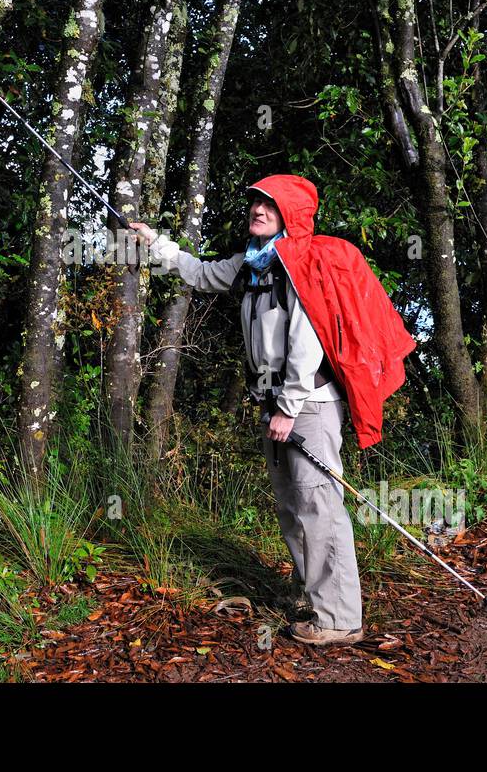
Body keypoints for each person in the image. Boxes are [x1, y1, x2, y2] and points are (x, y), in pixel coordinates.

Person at [129, 175, 363, 646]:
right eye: (255, 203)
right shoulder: (255, 264)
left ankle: (339, 617)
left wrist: (290, 406)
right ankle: (312, 597)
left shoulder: (299, 265)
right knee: (291, 507)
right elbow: (199, 272)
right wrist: (154, 244)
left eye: (269, 206)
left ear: (288, 215)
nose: (257, 210)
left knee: (318, 505)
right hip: (275, 404)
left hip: (308, 405)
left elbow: (308, 341)